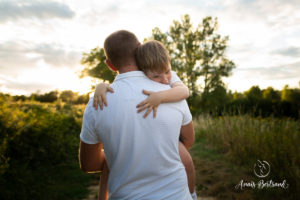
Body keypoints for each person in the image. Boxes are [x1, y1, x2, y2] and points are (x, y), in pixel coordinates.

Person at [79, 30, 195, 200]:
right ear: (140, 48)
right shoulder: (170, 91)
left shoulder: (97, 102)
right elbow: (188, 141)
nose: (163, 78)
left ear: (110, 65)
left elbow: (90, 164)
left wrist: (118, 151)